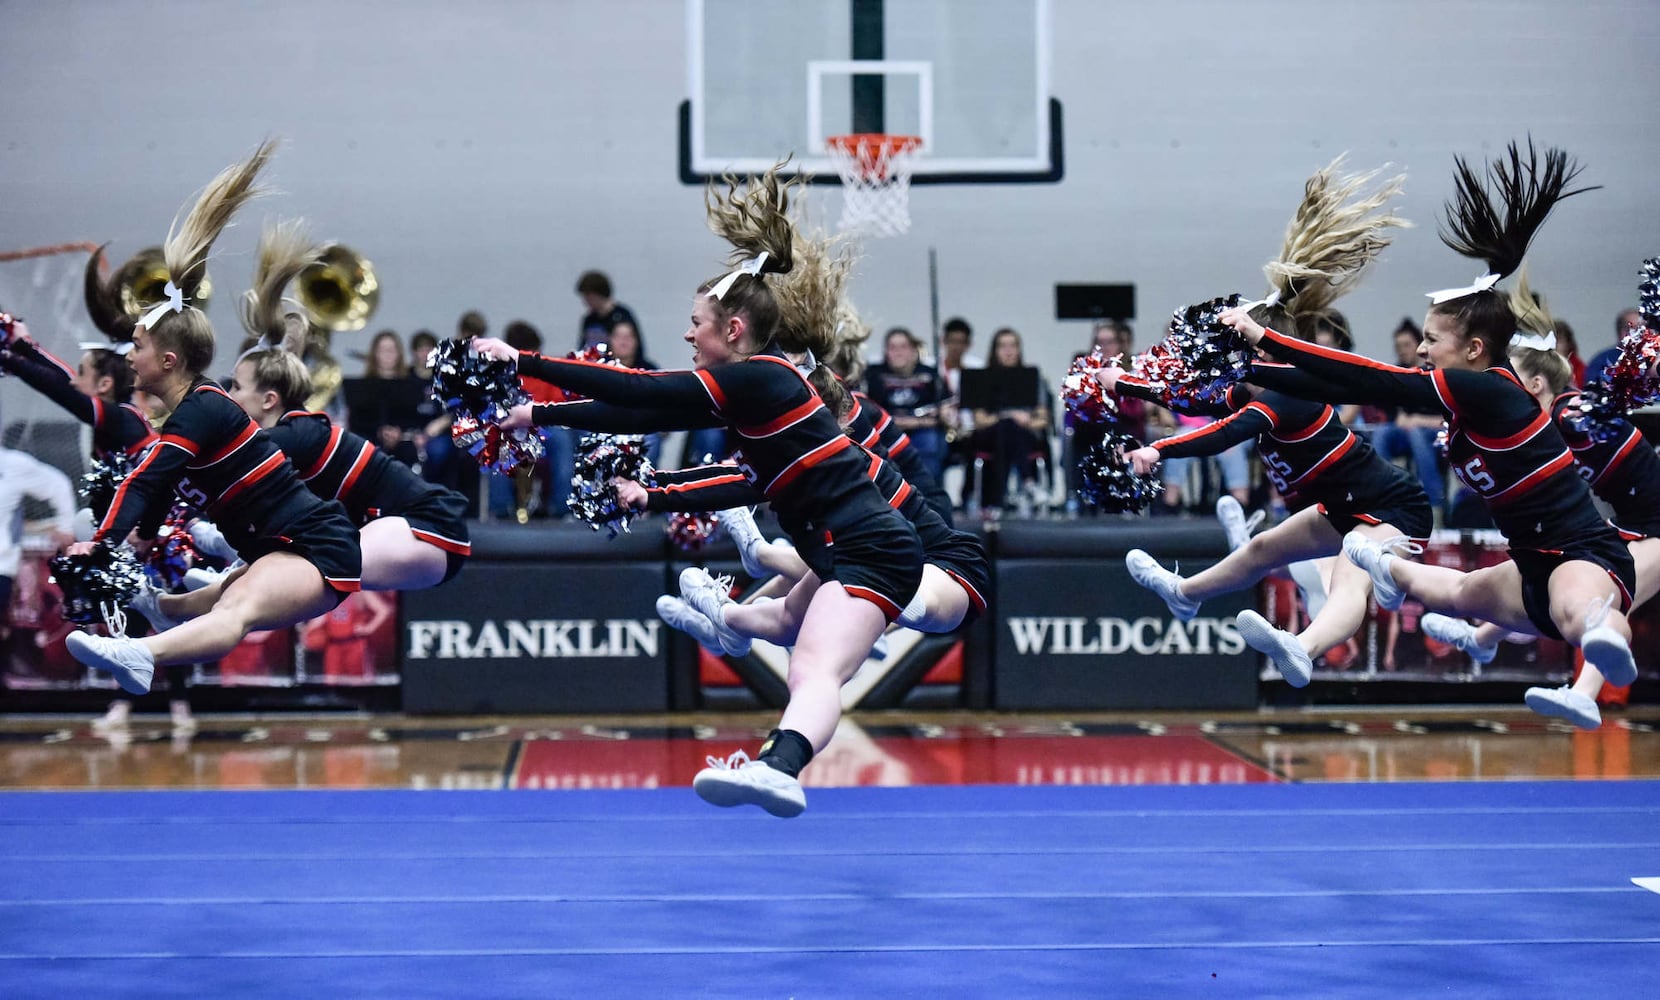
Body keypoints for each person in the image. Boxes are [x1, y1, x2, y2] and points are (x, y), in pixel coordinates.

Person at [478, 162, 924, 817]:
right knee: (771, 622)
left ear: (732, 329)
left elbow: (640, 390)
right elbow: (641, 417)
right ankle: (725, 624)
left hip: (870, 549)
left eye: (696, 322)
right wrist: (539, 416)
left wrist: (522, 362)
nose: (688, 334)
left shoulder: (762, 377)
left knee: (813, 670)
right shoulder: (754, 397)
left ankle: (779, 768)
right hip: (842, 551)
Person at [1223, 140, 1638, 722]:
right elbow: (1340, 383)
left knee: (1580, 612)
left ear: (1473, 349)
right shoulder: (1471, 395)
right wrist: (1248, 369)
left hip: (1581, 551)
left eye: (1431, 340)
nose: (1420, 349)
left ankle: (1602, 656)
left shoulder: (1492, 390)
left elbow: (1368, 379)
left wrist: (1265, 341)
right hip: (1531, 561)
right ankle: (1382, 566)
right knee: (1457, 593)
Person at [59, 141, 366, 699]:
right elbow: (159, 487)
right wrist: (143, 540)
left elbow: (147, 478)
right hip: (275, 544)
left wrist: (102, 544)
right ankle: (159, 613)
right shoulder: (191, 413)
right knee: (200, 601)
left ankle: (141, 656)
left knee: (236, 607)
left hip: (316, 544)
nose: (128, 358)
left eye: (137, 347)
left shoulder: (203, 408)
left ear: (168, 360)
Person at [1421, 313, 1660, 727]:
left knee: (1605, 603)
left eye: (1508, 380)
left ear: (1534, 386)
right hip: (1632, 518)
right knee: (1548, 575)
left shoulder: (1567, 415)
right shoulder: (1534, 432)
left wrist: (1644, 366)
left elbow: (1612, 401)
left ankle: (1584, 694)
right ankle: (1481, 640)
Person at [964, 327, 1050, 518]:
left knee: (1012, 430)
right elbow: (980, 421)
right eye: (1003, 346)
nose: (1008, 351)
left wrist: (1026, 421)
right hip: (989, 436)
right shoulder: (982, 380)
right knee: (1005, 427)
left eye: (1013, 346)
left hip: (1026, 434)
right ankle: (1029, 484)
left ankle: (998, 500)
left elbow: (1043, 419)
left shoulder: (1033, 378)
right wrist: (1009, 415)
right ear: (994, 350)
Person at [862, 327, 948, 482]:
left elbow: (944, 409)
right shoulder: (873, 375)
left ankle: (927, 493)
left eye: (903, 347)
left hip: (923, 431)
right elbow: (867, 410)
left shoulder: (930, 375)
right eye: (892, 348)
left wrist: (915, 422)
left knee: (932, 442)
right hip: (884, 432)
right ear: (885, 352)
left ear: (913, 350)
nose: (898, 352)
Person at [576, 269, 642, 352]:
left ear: (599, 294)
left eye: (589, 297)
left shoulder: (622, 316)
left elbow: (636, 348)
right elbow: (582, 347)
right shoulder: (590, 320)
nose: (586, 302)